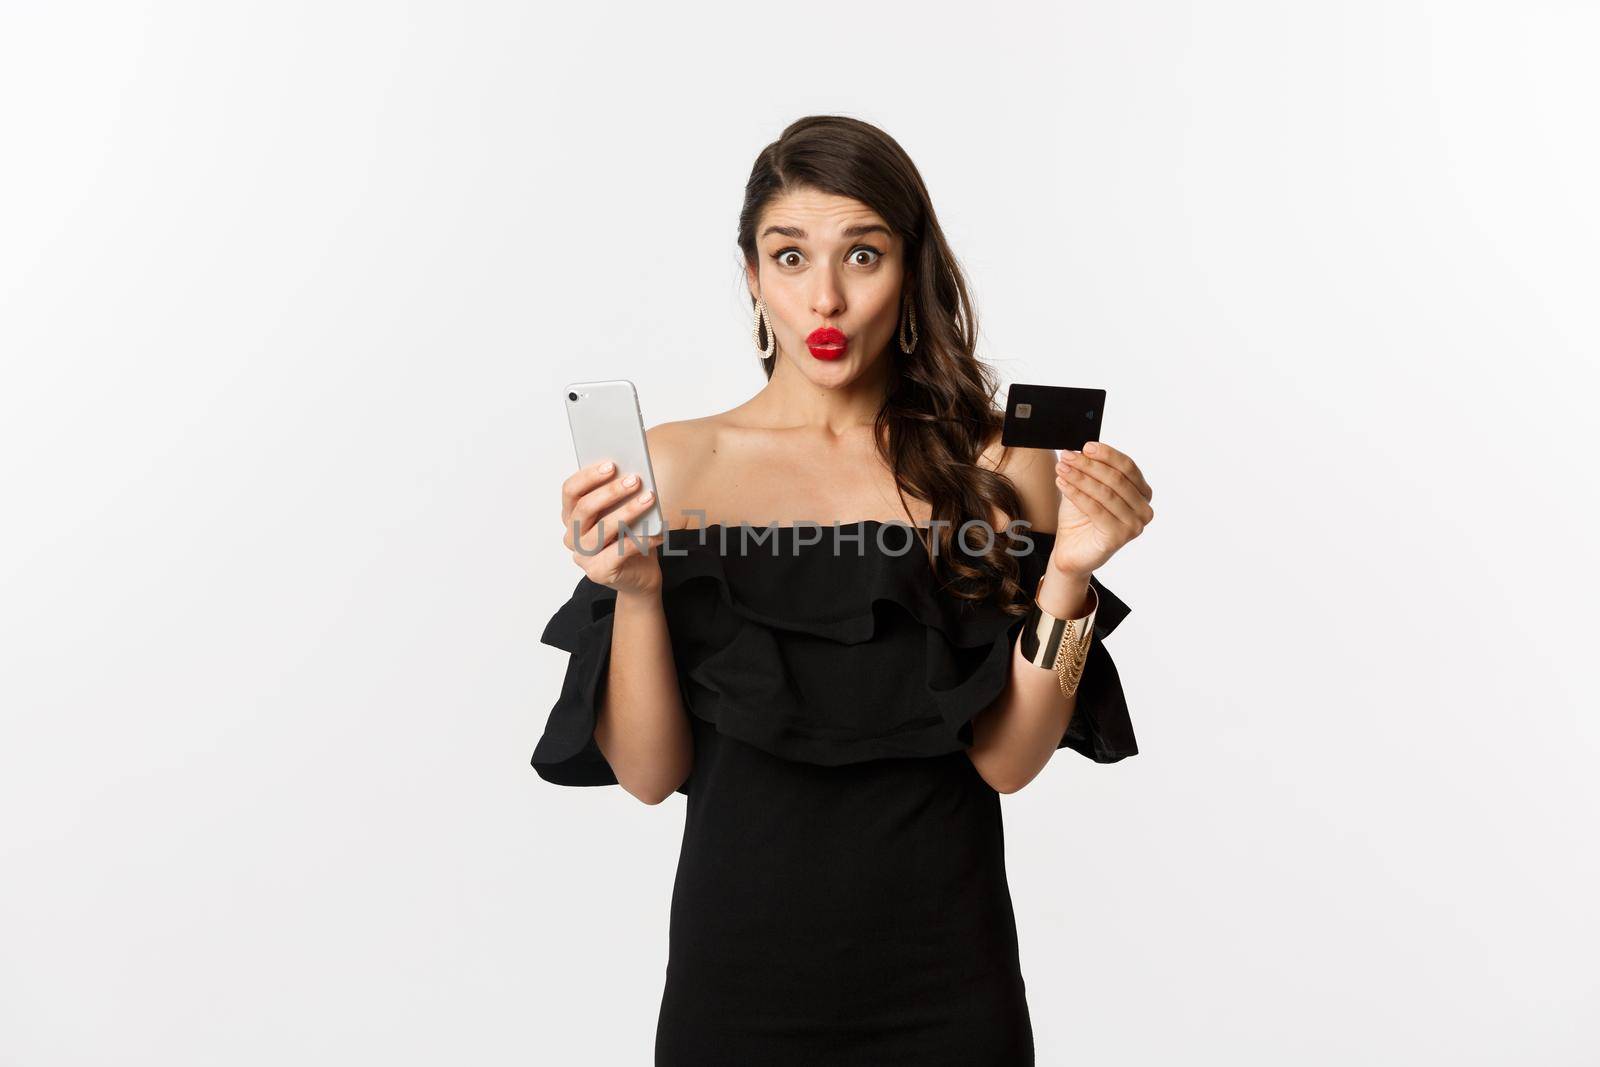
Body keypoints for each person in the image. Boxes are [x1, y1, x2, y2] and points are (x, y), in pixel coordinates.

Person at [531, 115, 1155, 1066]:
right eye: (790, 257)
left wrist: (1069, 573)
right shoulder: (675, 466)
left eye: (862, 254)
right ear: (751, 276)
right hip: (736, 983)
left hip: (948, 981)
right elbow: (650, 774)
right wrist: (641, 592)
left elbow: (1006, 762)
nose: (825, 297)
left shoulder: (995, 461)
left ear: (909, 268)